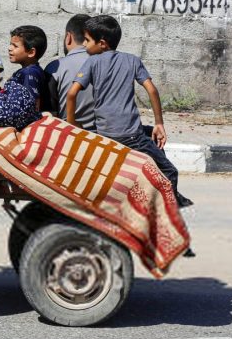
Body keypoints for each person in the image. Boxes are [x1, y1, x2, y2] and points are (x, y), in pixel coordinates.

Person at [65, 15, 194, 212]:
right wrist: (160, 123)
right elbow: (152, 90)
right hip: (131, 137)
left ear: (102, 44)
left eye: (88, 41)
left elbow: (71, 94)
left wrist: (72, 124)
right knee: (170, 170)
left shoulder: (91, 63)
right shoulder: (132, 60)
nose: (84, 46)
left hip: (105, 135)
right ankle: (169, 208)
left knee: (149, 132)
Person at [44, 14, 95, 129]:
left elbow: (50, 113)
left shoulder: (55, 68)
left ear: (68, 37)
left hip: (68, 134)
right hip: (104, 136)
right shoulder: (108, 64)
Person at [6, 25, 49, 112]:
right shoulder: (26, 71)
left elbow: (32, 104)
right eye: (10, 44)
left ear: (31, 52)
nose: (9, 48)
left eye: (15, 46)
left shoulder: (30, 73)